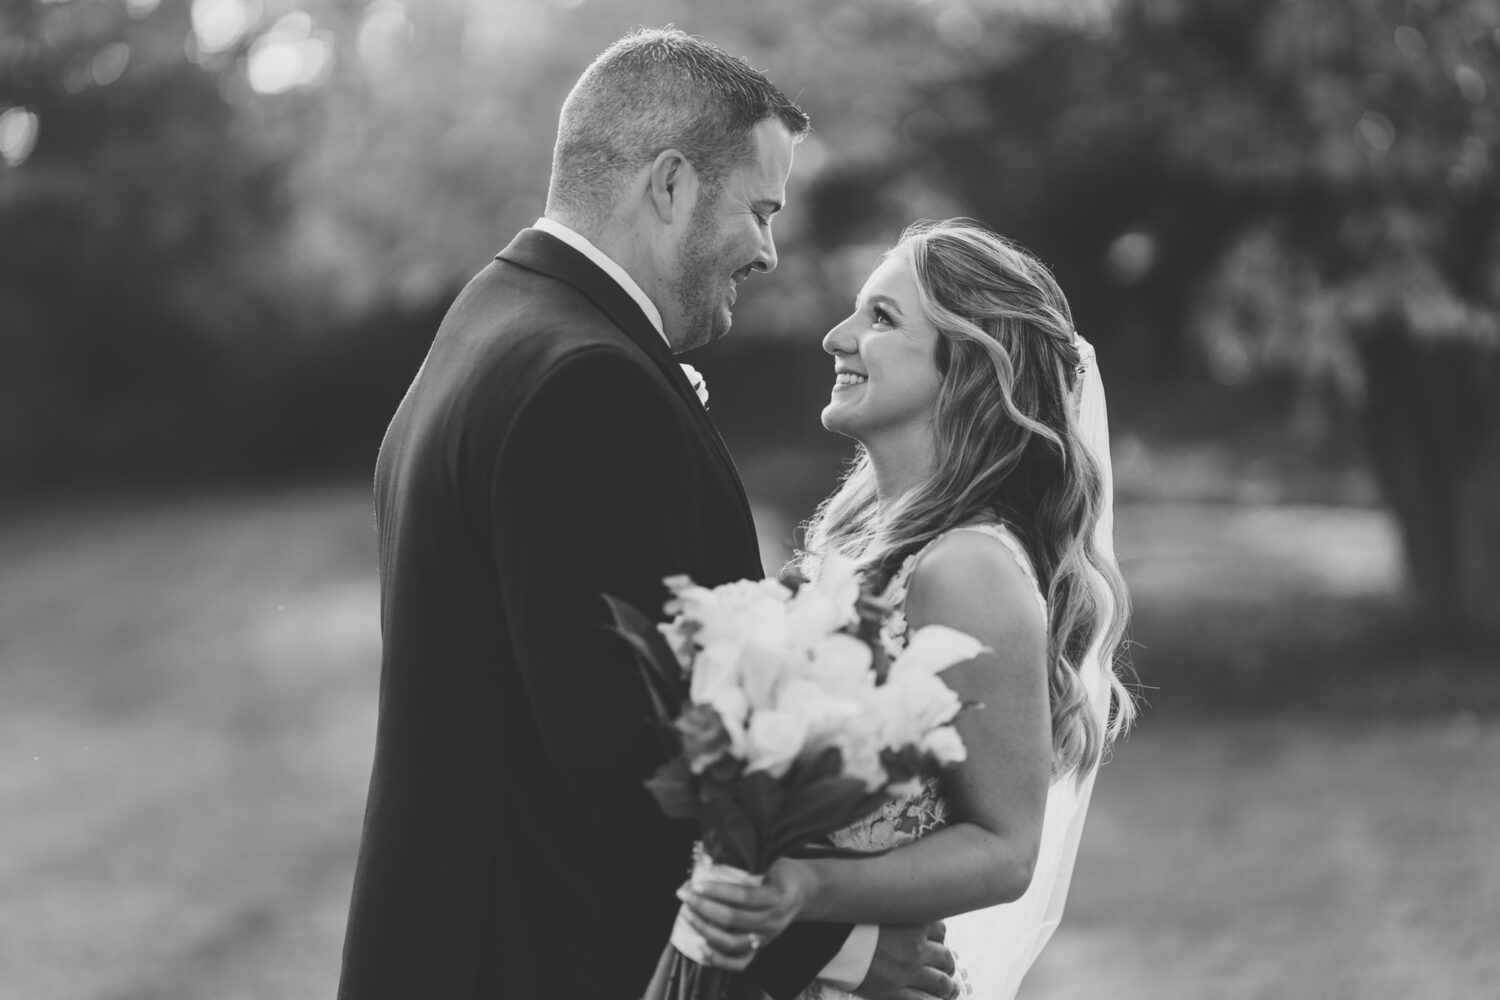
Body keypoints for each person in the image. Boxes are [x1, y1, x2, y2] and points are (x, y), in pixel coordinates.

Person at [336, 29, 959, 1000]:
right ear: (670, 186)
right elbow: (629, 764)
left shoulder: (492, 323)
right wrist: (838, 952)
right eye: (759, 211)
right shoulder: (590, 388)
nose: (766, 249)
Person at [677, 219, 1137, 1000]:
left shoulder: (968, 568)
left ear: (969, 369)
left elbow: (1005, 847)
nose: (835, 337)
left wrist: (806, 889)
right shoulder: (853, 543)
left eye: (880, 319)